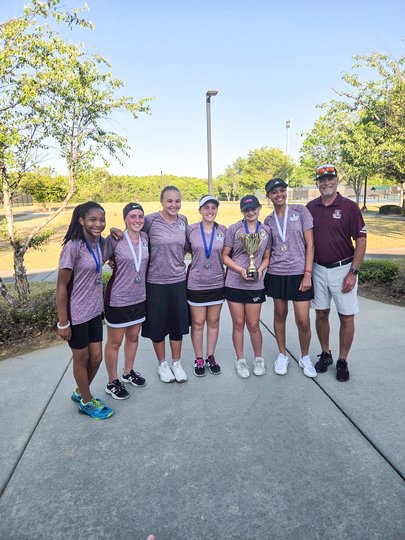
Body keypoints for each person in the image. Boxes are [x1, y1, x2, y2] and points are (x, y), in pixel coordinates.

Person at [307, 164, 367, 382]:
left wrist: (353, 272)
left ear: (336, 180)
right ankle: (326, 354)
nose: (326, 183)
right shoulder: (310, 207)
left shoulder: (349, 207)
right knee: (321, 313)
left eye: (330, 179)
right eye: (322, 180)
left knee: (346, 316)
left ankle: (342, 360)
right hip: (318, 269)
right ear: (317, 183)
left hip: (344, 269)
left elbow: (361, 239)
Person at [56, 201, 113, 420]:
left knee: (96, 358)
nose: (99, 224)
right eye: (93, 219)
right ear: (81, 221)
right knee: (81, 359)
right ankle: (87, 402)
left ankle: (81, 391)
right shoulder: (73, 247)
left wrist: (115, 231)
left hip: (95, 311)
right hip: (77, 313)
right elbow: (61, 286)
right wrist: (63, 322)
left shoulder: (99, 242)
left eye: (102, 220)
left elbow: (114, 248)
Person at [263, 178, 317, 378]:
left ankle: (305, 357)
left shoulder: (300, 211)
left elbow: (310, 244)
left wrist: (307, 273)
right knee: (280, 315)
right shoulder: (268, 220)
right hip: (277, 272)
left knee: (303, 320)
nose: (279, 195)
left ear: (286, 192)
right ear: (268, 196)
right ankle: (282, 355)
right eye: (274, 192)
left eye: (282, 190)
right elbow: (268, 250)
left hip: (299, 272)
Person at [102, 202, 148, 400]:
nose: (137, 220)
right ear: (125, 219)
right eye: (132, 216)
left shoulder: (145, 238)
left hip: (139, 297)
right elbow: (97, 260)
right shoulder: (115, 239)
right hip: (118, 299)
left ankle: (128, 372)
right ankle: (112, 381)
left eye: (140, 216)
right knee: (114, 343)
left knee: (133, 337)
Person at [222, 195, 271, 378]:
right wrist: (239, 269)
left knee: (253, 324)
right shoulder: (234, 229)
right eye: (246, 210)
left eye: (253, 209)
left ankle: (258, 358)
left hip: (255, 284)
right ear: (242, 211)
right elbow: (224, 255)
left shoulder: (266, 231)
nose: (250, 212)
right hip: (234, 282)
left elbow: (267, 256)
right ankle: (240, 360)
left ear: (259, 208)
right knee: (238, 323)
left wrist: (260, 270)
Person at [186, 195, 226, 377]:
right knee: (198, 323)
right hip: (196, 283)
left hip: (217, 282)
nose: (210, 211)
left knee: (214, 322)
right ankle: (199, 358)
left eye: (213, 208)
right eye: (206, 207)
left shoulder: (223, 230)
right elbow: (182, 249)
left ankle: (210, 356)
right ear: (200, 210)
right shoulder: (191, 230)